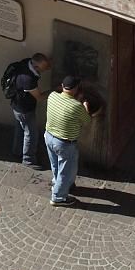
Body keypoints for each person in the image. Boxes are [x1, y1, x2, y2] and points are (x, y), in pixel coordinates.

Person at [44, 76, 94, 205]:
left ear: (62, 86)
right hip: (64, 143)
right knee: (66, 171)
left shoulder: (52, 96)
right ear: (76, 89)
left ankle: (57, 183)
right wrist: (85, 107)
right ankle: (58, 197)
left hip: (49, 137)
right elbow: (87, 121)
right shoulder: (77, 106)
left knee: (55, 164)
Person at [2, 52, 50, 168]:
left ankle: (17, 151)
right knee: (32, 134)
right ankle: (28, 160)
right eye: (43, 68)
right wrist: (54, 91)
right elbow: (39, 97)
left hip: (16, 105)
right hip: (24, 109)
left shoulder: (26, 62)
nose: (45, 70)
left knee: (20, 129)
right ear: (36, 67)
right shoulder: (28, 79)